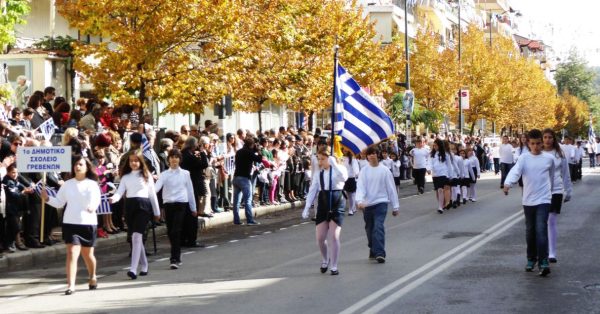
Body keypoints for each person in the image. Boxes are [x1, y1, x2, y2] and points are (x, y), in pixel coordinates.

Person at [40, 155, 101, 295]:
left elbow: (96, 200)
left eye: (81, 164)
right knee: (72, 253)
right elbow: (59, 202)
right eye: (76, 164)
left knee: (88, 255)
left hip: (87, 223)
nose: (77, 166)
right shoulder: (67, 184)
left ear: (86, 167)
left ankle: (92, 276)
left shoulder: (92, 184)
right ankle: (71, 285)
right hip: (70, 223)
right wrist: (47, 198)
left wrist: (92, 206)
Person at [503, 129, 555, 276]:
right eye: (533, 144)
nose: (536, 146)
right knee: (530, 231)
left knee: (541, 229)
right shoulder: (524, 158)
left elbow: (550, 177)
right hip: (528, 199)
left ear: (542, 142)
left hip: (544, 199)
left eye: (539, 143)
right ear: (528, 143)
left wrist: (552, 192)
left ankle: (543, 261)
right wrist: (508, 183)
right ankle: (531, 258)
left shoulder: (548, 159)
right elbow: (515, 171)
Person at [110, 150, 161, 280]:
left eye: (136, 160)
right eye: (131, 160)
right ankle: (144, 265)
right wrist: (114, 198)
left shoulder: (146, 175)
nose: (134, 163)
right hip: (130, 207)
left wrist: (157, 211)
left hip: (143, 206)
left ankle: (133, 269)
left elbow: (152, 194)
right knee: (134, 237)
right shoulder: (126, 177)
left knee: (137, 236)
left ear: (141, 162)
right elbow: (120, 191)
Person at [302, 147, 348, 275]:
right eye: (318, 159)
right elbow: (313, 190)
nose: (320, 162)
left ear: (330, 158)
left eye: (323, 159)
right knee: (320, 238)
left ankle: (334, 265)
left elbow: (344, 178)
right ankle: (325, 258)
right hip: (323, 202)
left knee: (334, 236)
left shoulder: (340, 168)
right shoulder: (319, 174)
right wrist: (307, 207)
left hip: (337, 201)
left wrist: (334, 164)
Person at [154, 149, 197, 270]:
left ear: (179, 159)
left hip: (181, 204)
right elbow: (157, 188)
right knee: (170, 231)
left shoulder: (185, 173)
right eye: (172, 157)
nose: (174, 159)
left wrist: (193, 207)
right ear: (168, 160)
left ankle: (174, 258)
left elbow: (190, 190)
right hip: (168, 205)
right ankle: (176, 254)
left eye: (176, 157)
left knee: (176, 230)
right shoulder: (164, 175)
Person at [356, 146, 400, 264]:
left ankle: (380, 253)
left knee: (378, 227)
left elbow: (391, 188)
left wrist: (395, 206)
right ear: (367, 156)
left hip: (381, 203)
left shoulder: (385, 170)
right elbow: (360, 187)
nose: (372, 156)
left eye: (374, 153)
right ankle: (373, 247)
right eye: (370, 154)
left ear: (378, 155)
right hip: (367, 205)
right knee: (369, 229)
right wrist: (359, 201)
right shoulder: (364, 171)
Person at [542, 129, 572, 264]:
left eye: (550, 137)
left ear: (554, 139)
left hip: (556, 190)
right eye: (545, 137)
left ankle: (552, 252)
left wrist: (568, 190)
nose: (547, 140)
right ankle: (543, 250)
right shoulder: (537, 153)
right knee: (541, 222)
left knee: (551, 220)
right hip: (541, 191)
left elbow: (565, 173)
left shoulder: (559, 154)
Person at [232, 137, 265, 225]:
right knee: (248, 200)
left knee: (236, 201)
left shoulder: (239, 152)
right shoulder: (249, 152)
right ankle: (250, 220)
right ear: (251, 145)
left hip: (236, 177)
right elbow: (259, 159)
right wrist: (258, 150)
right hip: (244, 178)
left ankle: (236, 220)